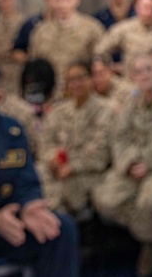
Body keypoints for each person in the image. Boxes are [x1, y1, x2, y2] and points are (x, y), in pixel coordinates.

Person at [93, 52, 152, 277]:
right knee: (105, 198)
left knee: (151, 197)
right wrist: (129, 164)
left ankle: (151, 246)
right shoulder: (130, 103)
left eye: (150, 69)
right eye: (138, 71)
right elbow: (119, 137)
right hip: (133, 164)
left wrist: (149, 164)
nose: (144, 75)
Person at [0, 64, 80, 276]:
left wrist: (29, 205)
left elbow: (25, 180)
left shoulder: (11, 131)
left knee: (59, 229)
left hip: (7, 225)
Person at [38, 60, 114, 214]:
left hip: (90, 172)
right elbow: (45, 142)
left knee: (68, 188)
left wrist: (73, 166)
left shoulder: (106, 110)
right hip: (58, 168)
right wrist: (53, 159)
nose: (76, 84)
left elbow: (100, 153)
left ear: (91, 79)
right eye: (71, 80)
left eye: (80, 78)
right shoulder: (58, 111)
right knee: (37, 172)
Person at [17, 0, 105, 93]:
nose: (63, 4)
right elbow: (35, 63)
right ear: (50, 1)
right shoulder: (40, 31)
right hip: (50, 91)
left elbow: (101, 62)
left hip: (81, 90)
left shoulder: (92, 28)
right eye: (58, 0)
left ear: (77, 0)